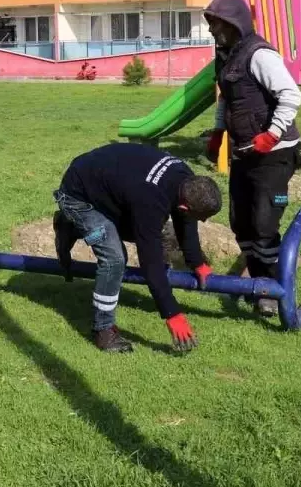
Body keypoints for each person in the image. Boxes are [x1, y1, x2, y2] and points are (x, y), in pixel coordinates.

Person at [53, 143, 222, 354]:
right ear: (185, 206)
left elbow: (185, 222)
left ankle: (71, 227)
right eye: (202, 217)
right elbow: (150, 263)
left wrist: (197, 263)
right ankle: (103, 330)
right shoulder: (150, 200)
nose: (204, 221)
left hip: (107, 187)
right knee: (115, 259)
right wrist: (172, 313)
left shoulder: (184, 178)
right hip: (78, 199)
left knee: (146, 232)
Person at [203, 0, 301, 317]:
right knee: (240, 223)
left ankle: (273, 290)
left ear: (233, 24)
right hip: (244, 152)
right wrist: (218, 132)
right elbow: (227, 99)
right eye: (211, 23)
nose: (212, 30)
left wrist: (271, 134)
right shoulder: (226, 56)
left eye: (216, 23)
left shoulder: (259, 55)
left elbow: (291, 94)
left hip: (274, 153)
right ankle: (259, 283)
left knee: (263, 223)